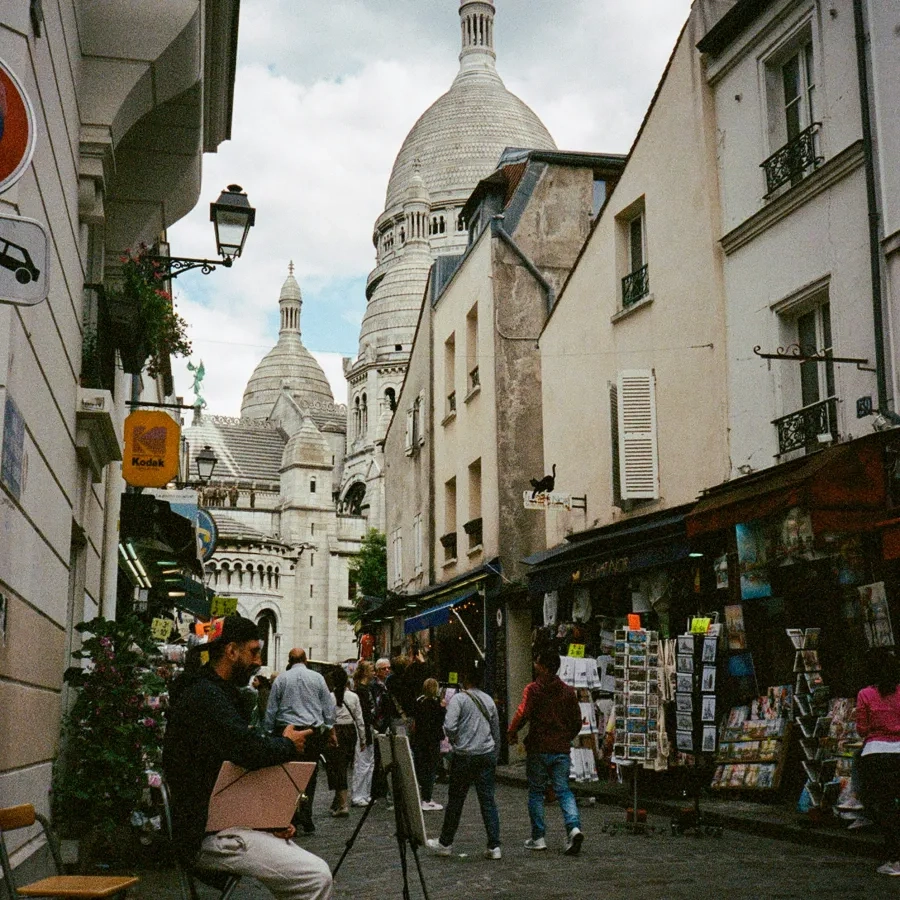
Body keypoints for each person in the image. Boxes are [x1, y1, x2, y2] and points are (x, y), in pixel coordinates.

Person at [163, 615, 332, 900]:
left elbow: (231, 763)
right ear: (231, 651)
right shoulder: (207, 697)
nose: (258, 660)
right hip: (207, 833)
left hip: (217, 822)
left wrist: (268, 818)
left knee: (304, 875)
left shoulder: (211, 693)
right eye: (253, 651)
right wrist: (288, 744)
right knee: (315, 877)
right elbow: (248, 751)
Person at [508, 648, 584, 855]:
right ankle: (573, 827)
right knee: (563, 790)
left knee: (536, 792)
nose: (534, 665)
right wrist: (565, 736)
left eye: (537, 662)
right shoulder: (568, 692)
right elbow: (577, 721)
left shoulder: (533, 689)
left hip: (539, 747)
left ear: (543, 667)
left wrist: (512, 731)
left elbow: (522, 713)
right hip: (560, 748)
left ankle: (538, 836)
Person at [425, 666, 501, 860]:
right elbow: (495, 730)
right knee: (488, 801)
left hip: (465, 755)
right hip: (485, 754)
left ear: (465, 679)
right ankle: (494, 845)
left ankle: (445, 842)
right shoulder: (489, 700)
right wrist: (494, 753)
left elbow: (449, 726)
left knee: (456, 801)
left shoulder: (459, 699)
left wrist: (455, 738)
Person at [264, 649, 337, 834]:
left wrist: (269, 731)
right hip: (311, 731)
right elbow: (327, 706)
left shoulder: (281, 679)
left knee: (288, 775)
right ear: (305, 660)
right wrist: (329, 728)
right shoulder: (317, 678)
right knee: (309, 776)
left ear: (289, 660)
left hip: (286, 731)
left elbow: (271, 708)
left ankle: (291, 817)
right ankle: (307, 816)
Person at [856, 649, 900, 875]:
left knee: (884, 806)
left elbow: (862, 729)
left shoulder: (865, 694)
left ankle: (895, 858)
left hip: (876, 753)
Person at [326, 667, 366, 817]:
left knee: (338, 768)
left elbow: (328, 718)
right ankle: (337, 802)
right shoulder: (353, 697)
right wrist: (363, 738)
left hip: (336, 731)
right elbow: (359, 719)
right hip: (350, 732)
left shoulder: (329, 697)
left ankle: (343, 804)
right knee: (342, 766)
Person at [412, 678, 446, 811]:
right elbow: (440, 721)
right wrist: (443, 709)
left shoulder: (419, 701)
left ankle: (422, 795)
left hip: (420, 739)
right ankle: (427, 797)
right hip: (432, 739)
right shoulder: (436, 704)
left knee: (421, 767)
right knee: (430, 768)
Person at [350, 660, 376, 807]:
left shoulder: (366, 689)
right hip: (364, 729)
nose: (374, 673)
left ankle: (365, 793)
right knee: (362, 763)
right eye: (371, 670)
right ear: (365, 672)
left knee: (368, 763)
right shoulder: (361, 690)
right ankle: (358, 794)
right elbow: (363, 714)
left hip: (367, 728)